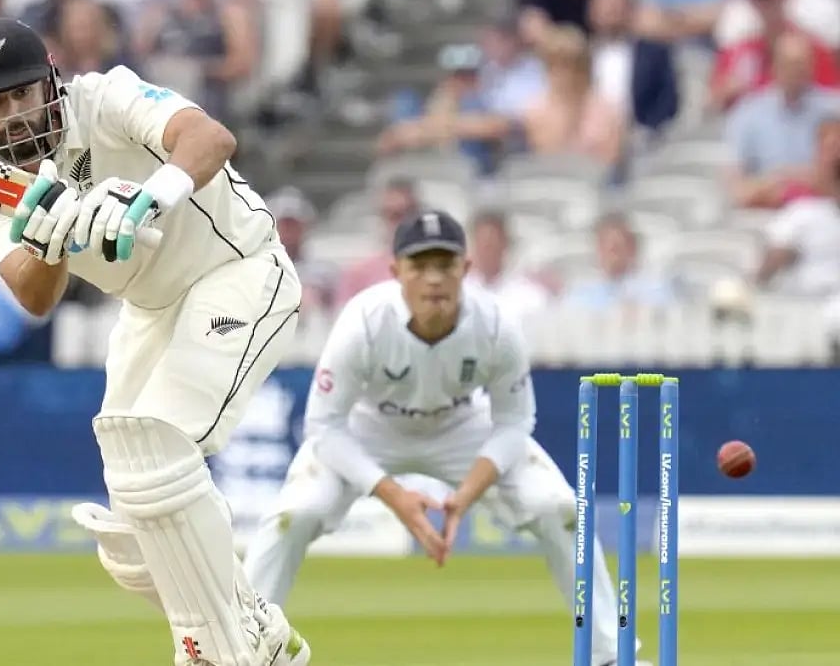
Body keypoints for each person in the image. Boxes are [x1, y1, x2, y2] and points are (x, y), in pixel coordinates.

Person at [0, 17, 307, 666]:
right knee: (132, 530)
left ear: (50, 83)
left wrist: (146, 199)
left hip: (239, 269)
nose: (13, 116)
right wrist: (45, 237)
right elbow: (34, 295)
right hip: (151, 310)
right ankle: (254, 624)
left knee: (161, 454)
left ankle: (211, 649)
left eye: (22, 93)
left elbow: (209, 137)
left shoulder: (104, 97)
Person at [241, 211, 650, 666]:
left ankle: (611, 657)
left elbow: (515, 421)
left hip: (460, 425)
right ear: (397, 272)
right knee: (294, 515)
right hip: (370, 426)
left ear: (466, 270)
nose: (434, 279)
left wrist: (466, 494)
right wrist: (393, 494)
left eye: (446, 265)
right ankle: (240, 651)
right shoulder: (365, 321)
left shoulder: (494, 324)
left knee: (558, 509)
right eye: (420, 266)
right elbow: (324, 427)